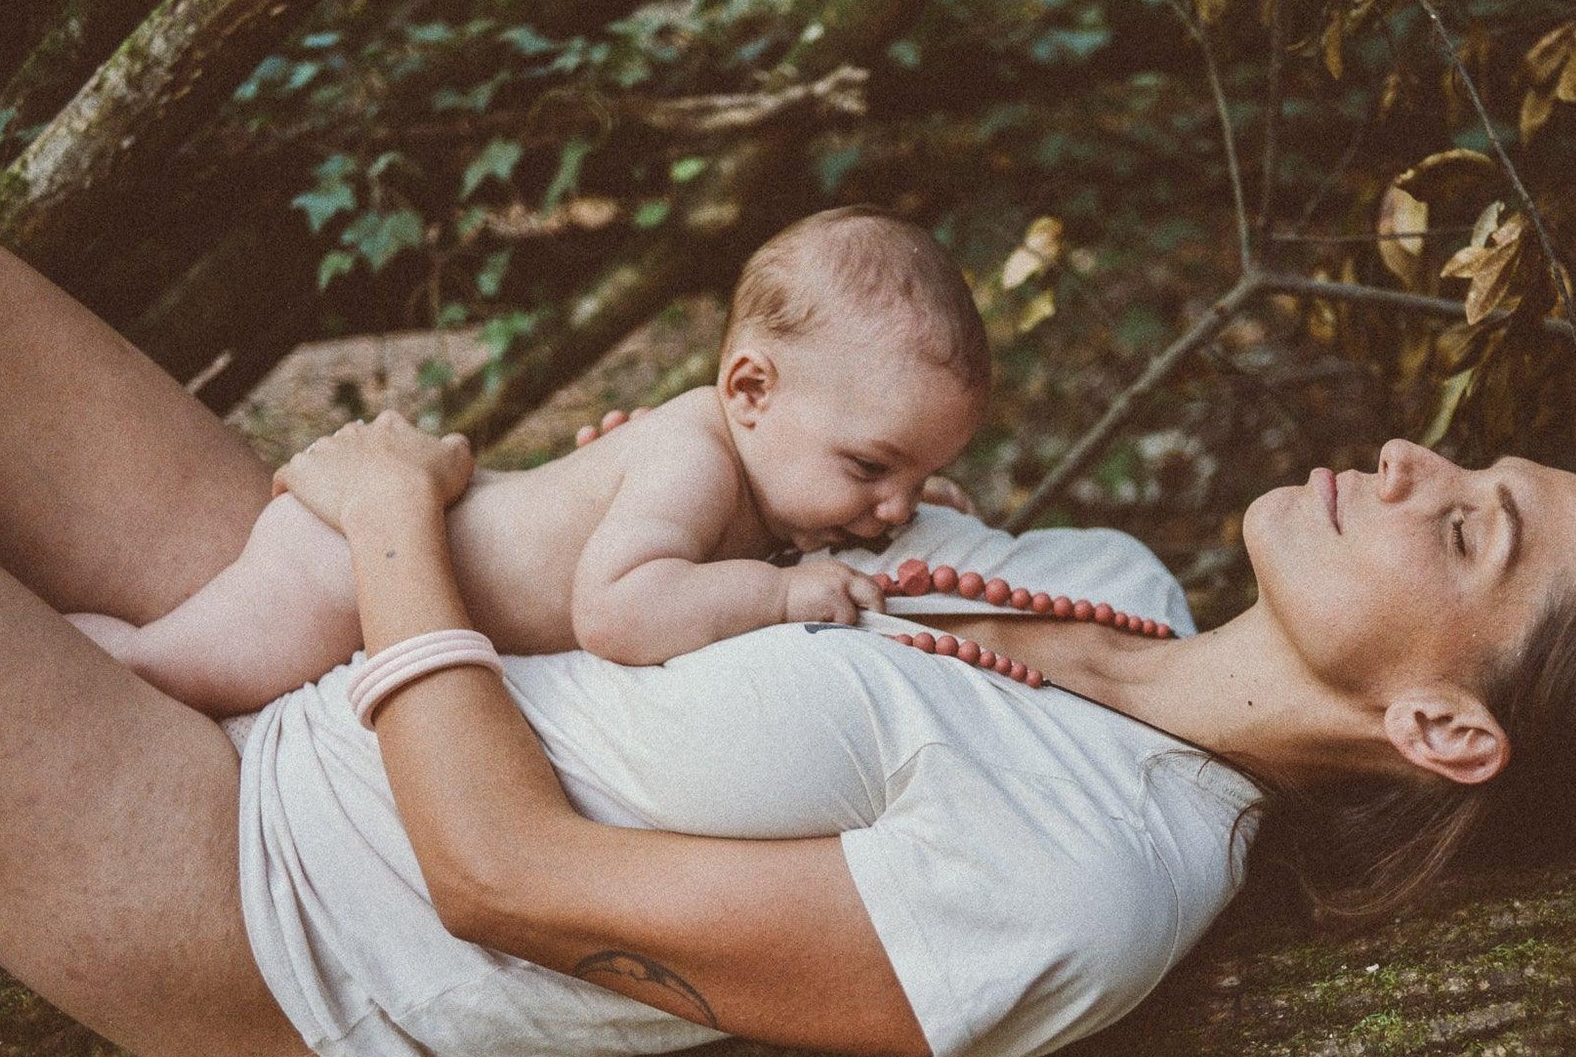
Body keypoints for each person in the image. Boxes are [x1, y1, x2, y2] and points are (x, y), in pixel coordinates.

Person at [0, 221, 1576, 1057]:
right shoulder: (1091, 571)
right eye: (1468, 471)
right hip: (300, 633)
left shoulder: (1088, 893)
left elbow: (508, 883)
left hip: (275, 893)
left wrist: (388, 518)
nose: (1410, 468)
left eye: (1468, 535)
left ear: (1443, 727)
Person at [65, 206, 989, 716]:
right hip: (340, 567)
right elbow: (619, 609)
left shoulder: (763, 465)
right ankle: (43, 649)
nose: (893, 506)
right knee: (166, 675)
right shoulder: (697, 458)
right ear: (750, 391)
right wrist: (779, 594)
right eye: (872, 467)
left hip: (385, 562)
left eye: (917, 476)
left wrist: (915, 493)